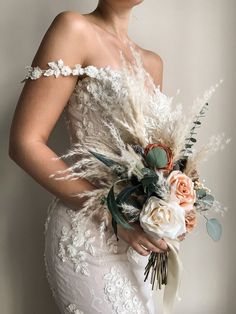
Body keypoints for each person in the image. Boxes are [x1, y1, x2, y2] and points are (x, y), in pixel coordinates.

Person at [8, 1, 171, 313]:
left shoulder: (153, 63)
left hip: (138, 240)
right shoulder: (73, 29)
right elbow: (24, 143)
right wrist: (112, 216)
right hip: (86, 232)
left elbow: (154, 159)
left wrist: (171, 207)